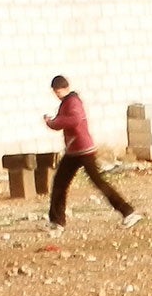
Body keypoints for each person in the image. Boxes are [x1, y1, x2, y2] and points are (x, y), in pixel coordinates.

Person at [43, 76, 140, 234]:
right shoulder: (67, 102)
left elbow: (74, 120)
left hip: (82, 150)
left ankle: (128, 212)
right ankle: (56, 221)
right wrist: (53, 122)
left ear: (62, 89)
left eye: (57, 91)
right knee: (60, 182)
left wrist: (53, 122)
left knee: (97, 182)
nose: (56, 94)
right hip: (74, 150)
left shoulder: (73, 101)